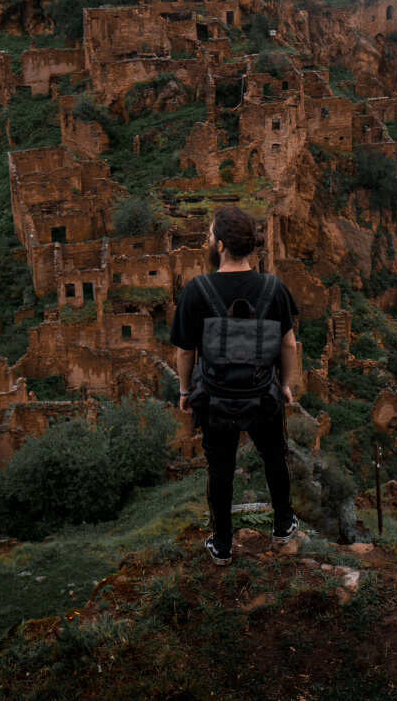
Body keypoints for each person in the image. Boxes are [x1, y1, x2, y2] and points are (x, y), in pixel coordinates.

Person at [170, 205, 302, 565]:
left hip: (215, 398)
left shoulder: (197, 290)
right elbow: (289, 344)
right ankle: (282, 525)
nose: (208, 240)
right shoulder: (273, 288)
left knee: (220, 469)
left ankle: (223, 543)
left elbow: (185, 351)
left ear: (222, 245)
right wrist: (286, 385)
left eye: (211, 235)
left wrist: (184, 390)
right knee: (274, 456)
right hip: (262, 394)